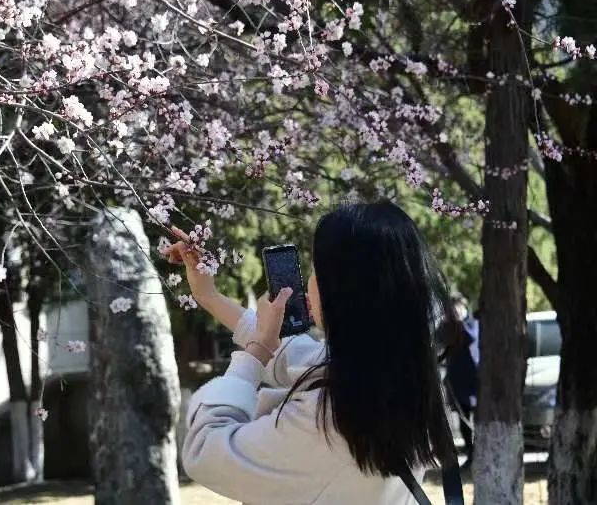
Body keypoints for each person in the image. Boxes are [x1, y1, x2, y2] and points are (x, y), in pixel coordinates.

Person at [165, 201, 459, 505]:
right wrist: (208, 295)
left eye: (317, 271)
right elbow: (295, 356)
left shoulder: (329, 421)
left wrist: (255, 354)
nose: (310, 283)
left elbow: (206, 450)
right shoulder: (400, 376)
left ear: (342, 290)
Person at [445, 293, 480, 467]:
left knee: (479, 419)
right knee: (463, 421)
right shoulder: (449, 327)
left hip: (475, 381)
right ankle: (471, 453)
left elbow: (471, 337)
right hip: (458, 382)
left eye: (457, 306)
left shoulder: (472, 324)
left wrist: (459, 322)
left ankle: (480, 453)